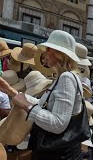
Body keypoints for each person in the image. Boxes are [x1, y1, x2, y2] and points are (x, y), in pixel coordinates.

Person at [0, 30, 85, 159]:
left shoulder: (66, 78)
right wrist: (12, 92)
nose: (44, 53)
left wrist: (26, 106)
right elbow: (44, 105)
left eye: (48, 49)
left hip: (58, 154)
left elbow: (58, 124)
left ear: (58, 54)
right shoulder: (63, 77)